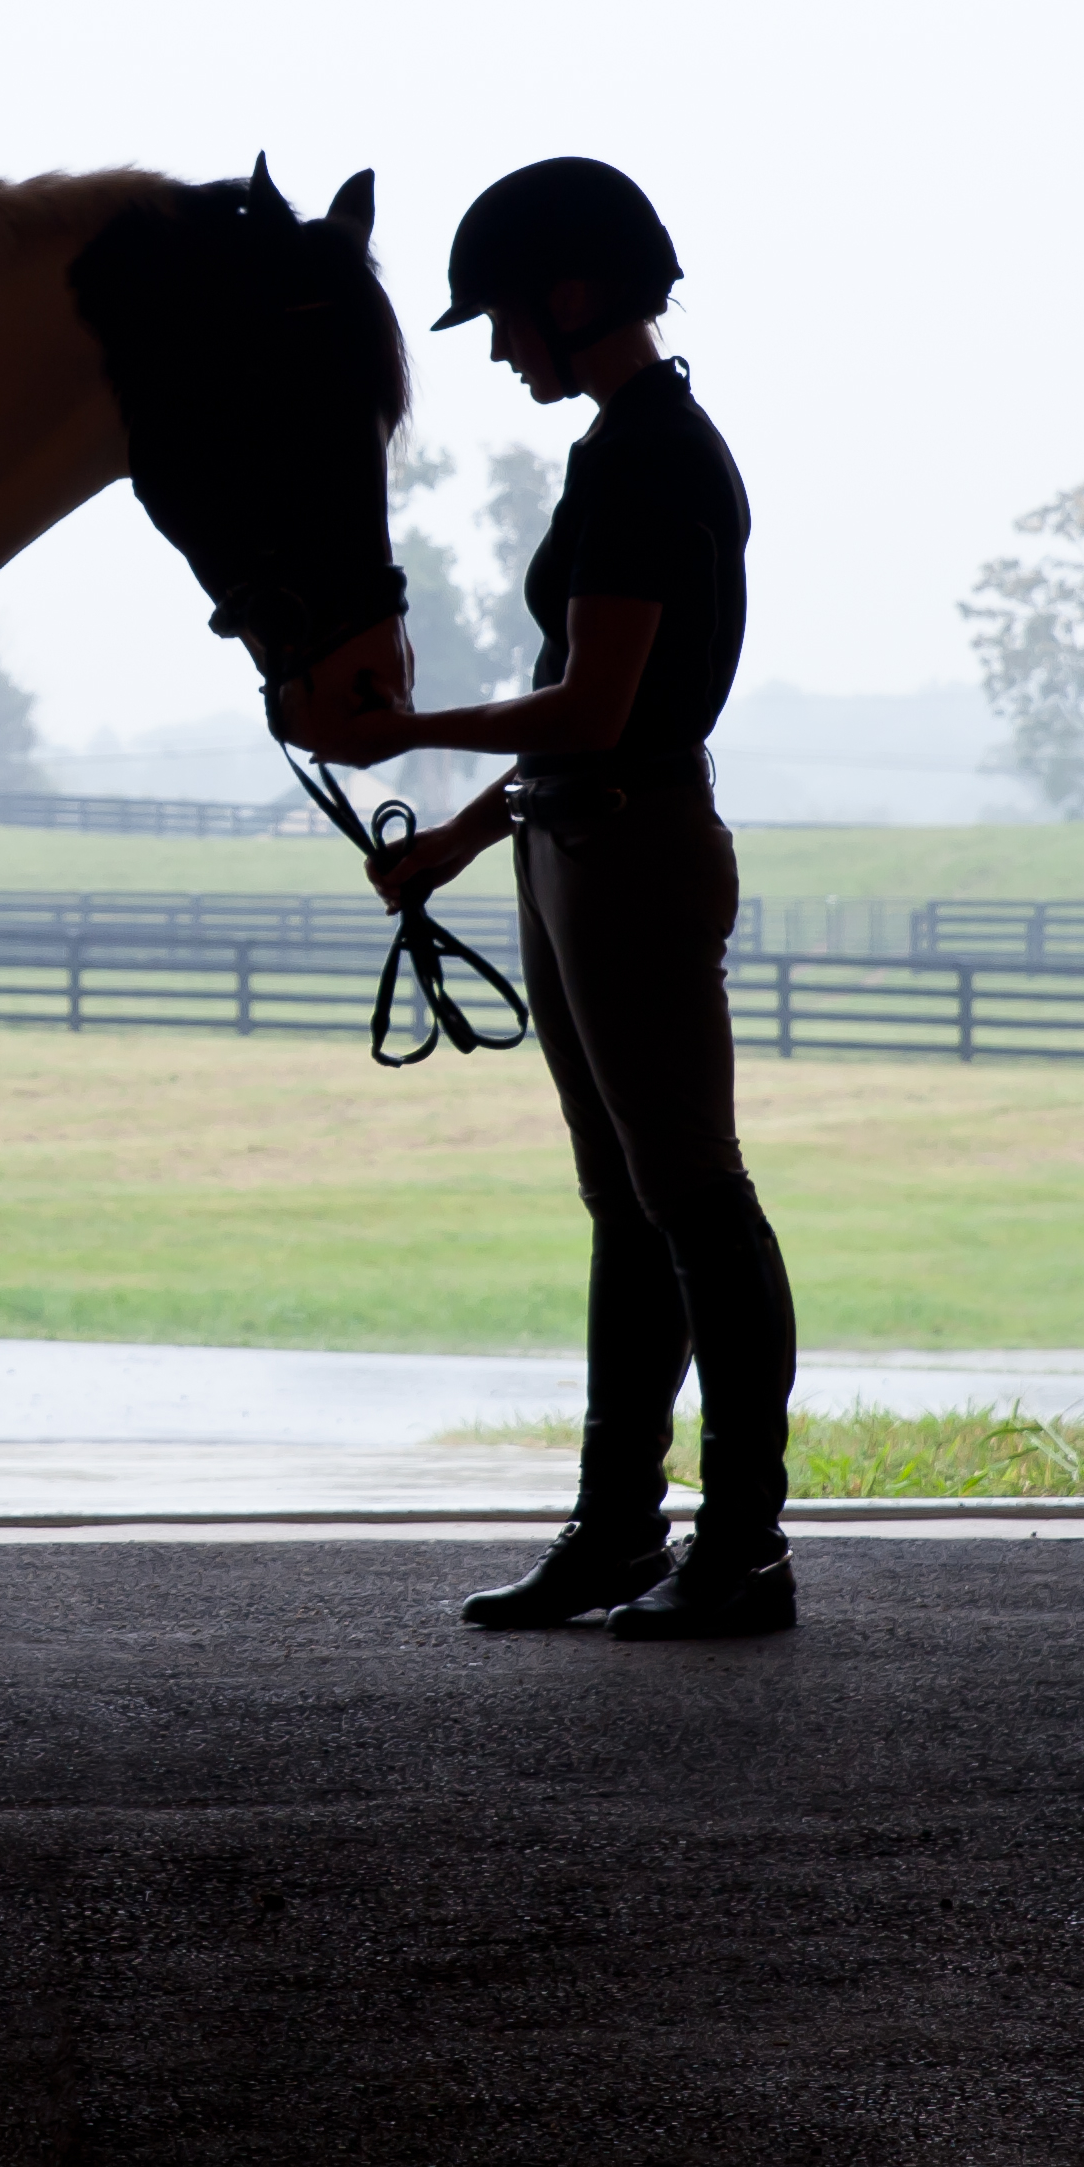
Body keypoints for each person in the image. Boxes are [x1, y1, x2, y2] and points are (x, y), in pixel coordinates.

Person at [287, 158, 799, 1637]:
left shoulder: (647, 460)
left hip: (627, 852)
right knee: (632, 1201)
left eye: (508, 317)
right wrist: (457, 837)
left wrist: (402, 732)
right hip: (578, 842)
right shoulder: (626, 446)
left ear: (575, 296)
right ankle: (620, 1531)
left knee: (691, 1193)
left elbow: (595, 708)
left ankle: (741, 1548)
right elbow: (586, 717)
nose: (503, 348)